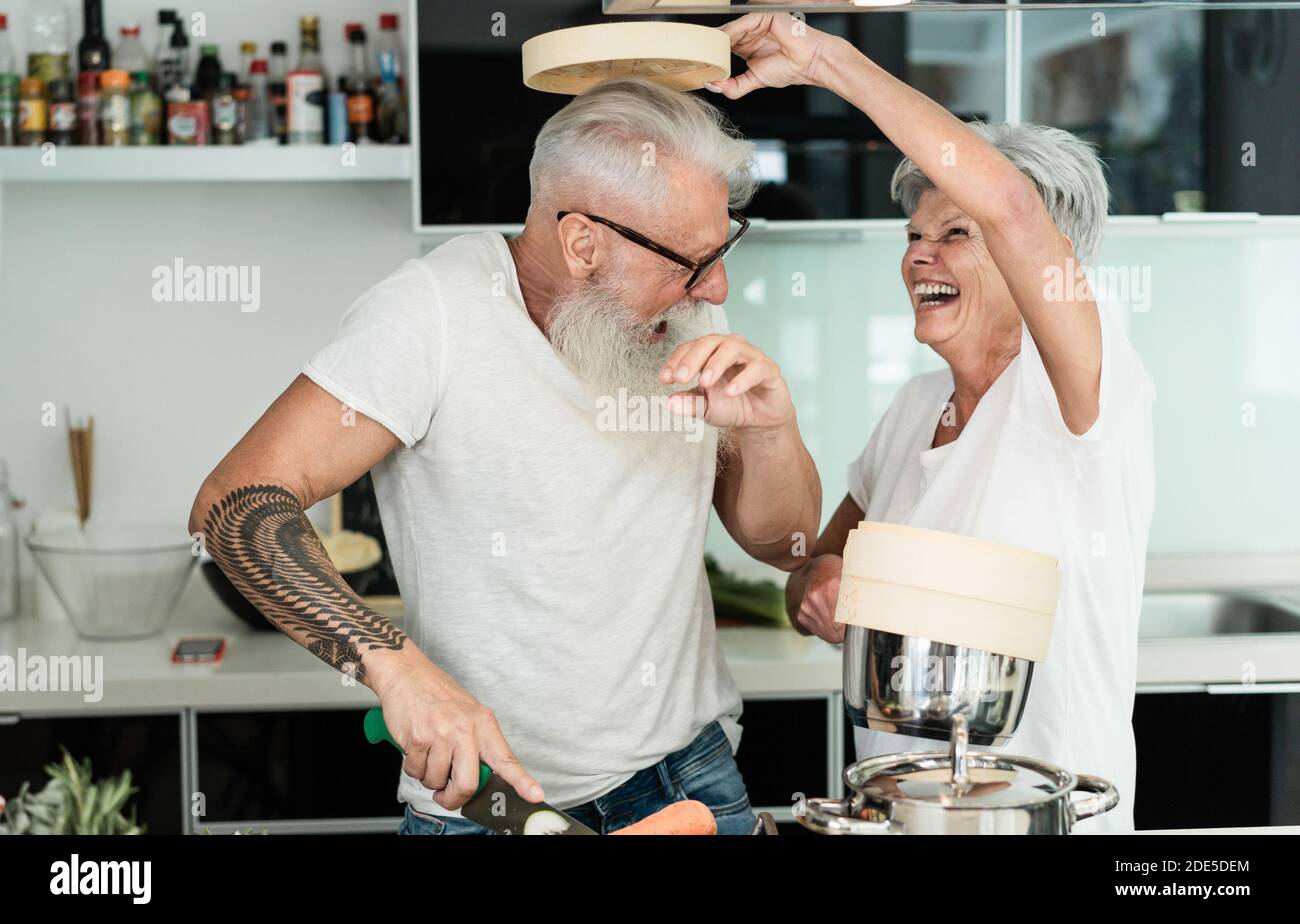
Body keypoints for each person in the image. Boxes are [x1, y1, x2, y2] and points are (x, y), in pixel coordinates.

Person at [189, 77, 821, 835]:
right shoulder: (434, 313)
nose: (716, 284)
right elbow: (234, 502)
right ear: (583, 242)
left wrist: (769, 430)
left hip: (689, 778)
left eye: (724, 247)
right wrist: (397, 671)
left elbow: (783, 543)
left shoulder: (682, 311)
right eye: (692, 261)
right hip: (492, 803)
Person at [714, 13, 1155, 832]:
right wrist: (817, 591)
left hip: (1043, 818)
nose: (920, 255)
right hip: (901, 812)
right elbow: (813, 566)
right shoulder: (915, 409)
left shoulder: (1087, 396)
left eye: (957, 234)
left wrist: (826, 59)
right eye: (915, 235)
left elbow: (1016, 208)